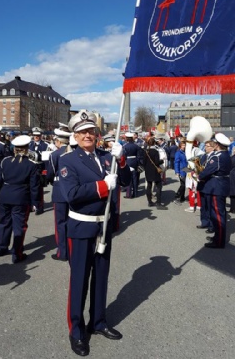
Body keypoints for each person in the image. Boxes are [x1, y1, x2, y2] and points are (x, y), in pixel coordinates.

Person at [59, 110, 131, 357]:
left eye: (92, 131)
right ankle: (76, 330)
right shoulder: (68, 161)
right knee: (79, 279)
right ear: (75, 136)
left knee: (101, 276)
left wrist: (121, 162)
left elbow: (127, 181)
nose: (88, 135)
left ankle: (98, 321)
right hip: (81, 227)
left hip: (103, 227)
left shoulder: (106, 156)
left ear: (98, 135)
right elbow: (73, 195)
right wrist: (102, 186)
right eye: (82, 132)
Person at [0, 135, 40, 263]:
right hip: (21, 198)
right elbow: (34, 187)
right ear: (26, 148)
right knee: (19, 226)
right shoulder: (31, 165)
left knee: (4, 223)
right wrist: (35, 203)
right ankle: (17, 253)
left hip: (5, 196)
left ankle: (0, 248)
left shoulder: (5, 161)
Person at [198, 133, 232, 248]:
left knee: (217, 215)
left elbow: (208, 170)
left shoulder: (217, 157)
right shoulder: (225, 154)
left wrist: (199, 175)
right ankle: (217, 236)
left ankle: (219, 241)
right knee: (218, 214)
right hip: (219, 186)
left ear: (217, 144)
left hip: (217, 187)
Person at [47, 125, 71, 261]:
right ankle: (73, 248)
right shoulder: (74, 152)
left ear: (58, 141)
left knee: (60, 223)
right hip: (73, 190)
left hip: (59, 191)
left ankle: (62, 252)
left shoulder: (55, 154)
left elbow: (50, 174)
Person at [29, 127, 49, 214]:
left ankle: (39, 207)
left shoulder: (45, 145)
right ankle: (31, 205)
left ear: (41, 136)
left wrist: (46, 171)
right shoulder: (29, 144)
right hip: (30, 167)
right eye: (35, 135)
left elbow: (46, 159)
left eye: (38, 135)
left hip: (40, 167)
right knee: (30, 187)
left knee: (39, 189)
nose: (36, 137)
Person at [196, 140, 216, 230]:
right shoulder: (204, 155)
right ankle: (204, 222)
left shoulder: (214, 157)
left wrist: (200, 175)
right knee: (203, 205)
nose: (205, 147)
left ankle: (212, 225)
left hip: (209, 183)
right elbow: (200, 166)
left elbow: (209, 170)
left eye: (207, 146)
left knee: (210, 205)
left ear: (212, 147)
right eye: (205, 146)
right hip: (202, 183)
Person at [143, 137, 166, 209]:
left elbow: (143, 162)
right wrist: (162, 161)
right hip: (155, 171)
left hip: (148, 171)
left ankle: (149, 202)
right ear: (154, 143)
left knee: (149, 186)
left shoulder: (146, 151)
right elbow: (156, 162)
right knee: (159, 186)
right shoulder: (155, 152)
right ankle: (158, 203)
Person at [123, 132, 143, 198]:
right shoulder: (136, 146)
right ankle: (135, 193)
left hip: (128, 162)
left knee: (128, 178)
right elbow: (139, 156)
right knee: (135, 178)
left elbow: (124, 156)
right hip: (135, 162)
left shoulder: (125, 146)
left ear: (127, 139)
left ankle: (128, 194)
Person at [174, 139, 187, 205]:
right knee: (182, 185)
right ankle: (177, 197)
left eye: (185, 145)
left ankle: (182, 197)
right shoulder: (178, 153)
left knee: (184, 185)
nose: (184, 146)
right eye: (183, 145)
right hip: (181, 170)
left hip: (186, 170)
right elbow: (176, 162)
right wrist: (177, 172)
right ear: (180, 146)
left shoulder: (186, 152)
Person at [229, 146, 235, 213]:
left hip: (233, 175)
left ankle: (233, 208)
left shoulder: (232, 158)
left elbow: (229, 166)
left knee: (233, 193)